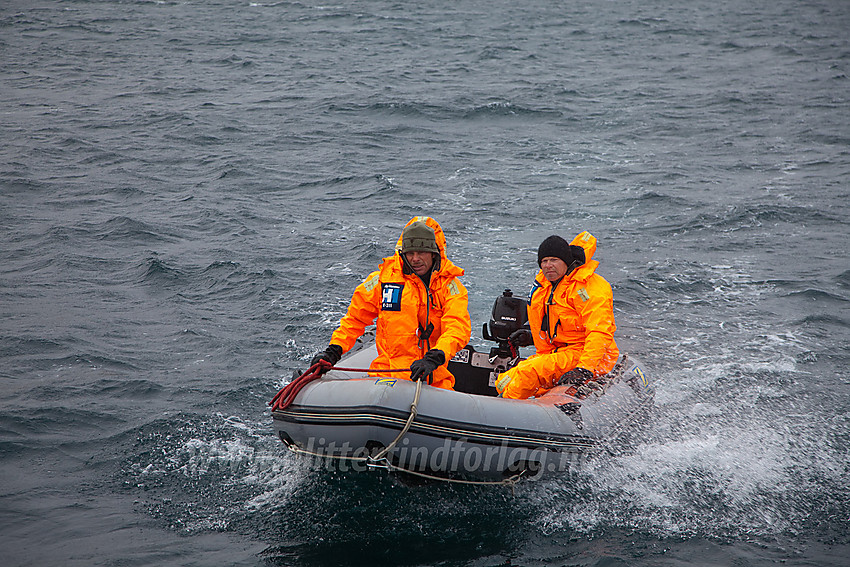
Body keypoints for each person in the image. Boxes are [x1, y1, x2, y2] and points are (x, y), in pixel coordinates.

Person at [309, 216, 471, 389]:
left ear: (433, 253)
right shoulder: (382, 281)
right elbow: (355, 320)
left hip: (431, 380)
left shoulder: (450, 288)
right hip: (384, 378)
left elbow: (457, 326)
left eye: (421, 252)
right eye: (410, 253)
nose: (415, 258)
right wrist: (334, 351)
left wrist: (435, 357)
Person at [494, 231, 619, 400]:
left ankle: (505, 414)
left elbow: (599, 332)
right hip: (559, 352)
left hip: (587, 356)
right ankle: (502, 408)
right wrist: (531, 337)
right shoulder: (547, 286)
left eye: (554, 260)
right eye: (544, 261)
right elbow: (556, 324)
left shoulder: (589, 288)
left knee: (529, 372)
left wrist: (585, 368)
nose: (548, 265)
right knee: (506, 379)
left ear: (566, 262)